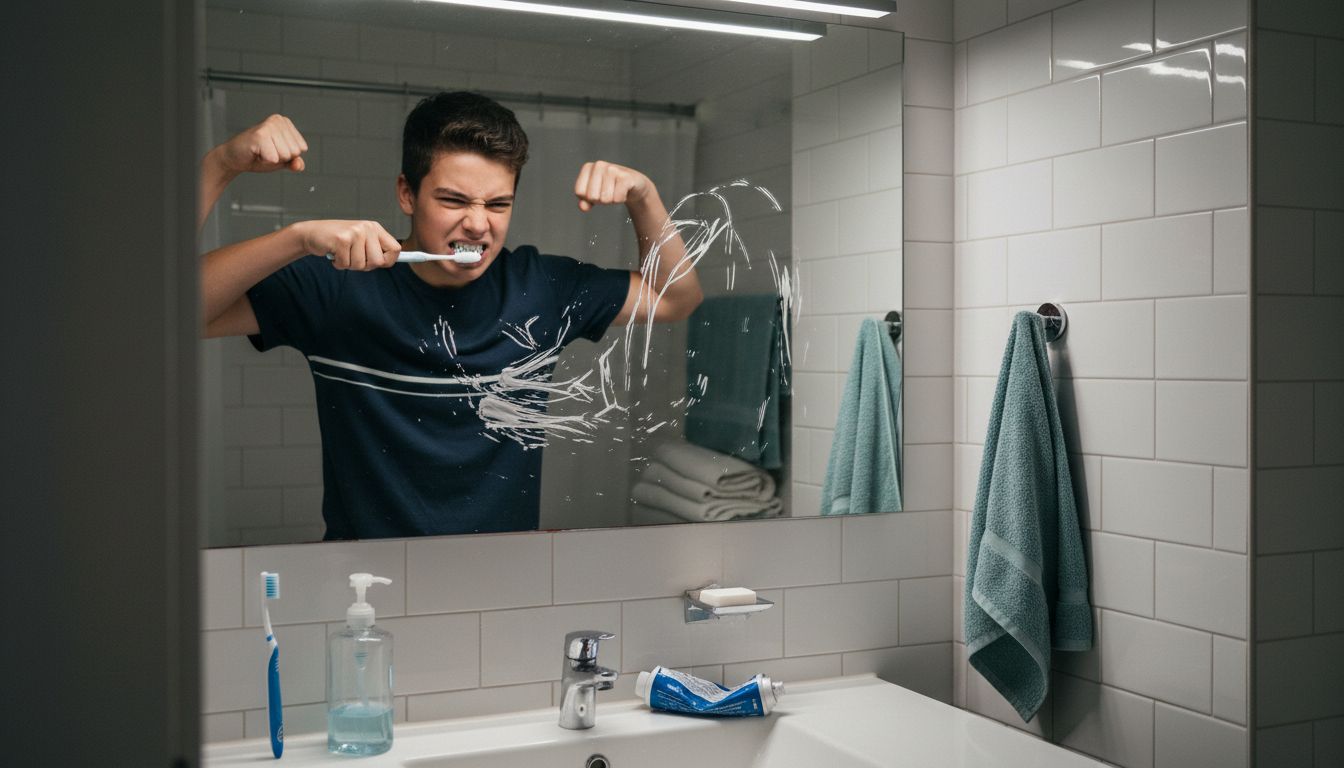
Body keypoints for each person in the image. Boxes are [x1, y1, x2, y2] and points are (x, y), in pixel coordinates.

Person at [200, 92, 702, 539]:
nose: (479, 224)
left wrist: (644, 196)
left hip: (497, 586)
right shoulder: (335, 286)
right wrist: (235, 177)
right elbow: (162, 311)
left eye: (498, 204)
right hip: (364, 589)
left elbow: (677, 298)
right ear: (406, 193)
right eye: (453, 200)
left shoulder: (541, 290)